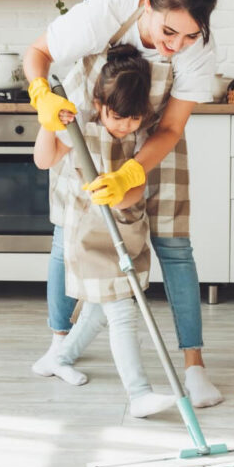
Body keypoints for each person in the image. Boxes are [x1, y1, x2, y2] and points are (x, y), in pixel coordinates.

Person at [26, 0, 223, 408]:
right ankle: (59, 345)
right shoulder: (111, 10)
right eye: (168, 32)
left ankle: (194, 367)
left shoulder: (198, 49)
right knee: (67, 238)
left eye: (190, 35)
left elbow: (170, 127)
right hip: (89, 135)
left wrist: (133, 174)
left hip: (155, 143)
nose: (176, 45)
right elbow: (39, 53)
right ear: (148, 4)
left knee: (175, 248)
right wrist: (42, 97)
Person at [32, 45, 176, 418]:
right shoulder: (79, 127)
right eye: (117, 116)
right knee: (121, 310)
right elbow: (44, 160)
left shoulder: (141, 135)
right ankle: (139, 394)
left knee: (99, 308)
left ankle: (59, 358)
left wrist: (123, 190)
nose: (124, 125)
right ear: (98, 103)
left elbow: (138, 189)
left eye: (133, 118)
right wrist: (48, 122)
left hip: (127, 231)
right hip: (89, 236)